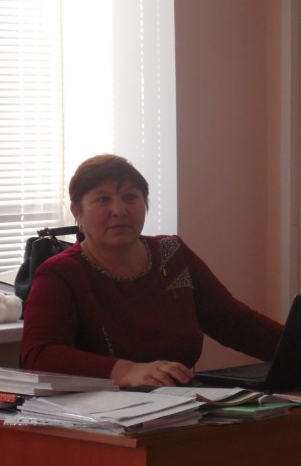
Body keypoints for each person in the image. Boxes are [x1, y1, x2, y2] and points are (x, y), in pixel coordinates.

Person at [21, 154, 283, 387]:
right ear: (77, 212)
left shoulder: (171, 253)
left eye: (130, 197)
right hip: (101, 415)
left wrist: (299, 348)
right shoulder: (60, 274)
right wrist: (124, 371)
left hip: (181, 404)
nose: (119, 210)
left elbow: (233, 321)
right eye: (103, 199)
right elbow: (38, 355)